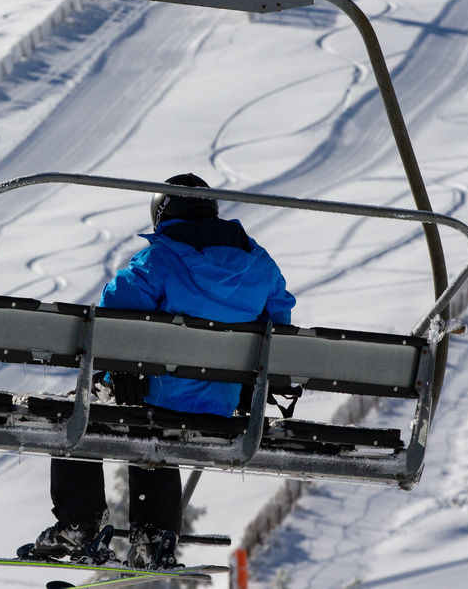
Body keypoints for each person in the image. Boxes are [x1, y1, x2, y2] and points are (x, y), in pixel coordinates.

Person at [30, 173, 296, 568]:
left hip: (153, 396)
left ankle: (80, 523)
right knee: (157, 427)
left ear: (163, 213)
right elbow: (282, 329)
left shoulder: (161, 258)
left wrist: (118, 370)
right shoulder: (261, 264)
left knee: (80, 411)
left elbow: (111, 317)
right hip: (219, 406)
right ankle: (154, 539)